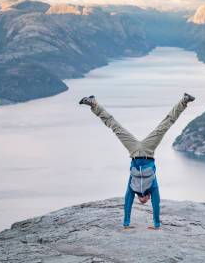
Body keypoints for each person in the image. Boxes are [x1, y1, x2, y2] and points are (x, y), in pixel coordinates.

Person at [79, 93, 195, 229]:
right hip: (148, 150)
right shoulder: (153, 185)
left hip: (133, 151)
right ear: (148, 198)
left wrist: (126, 224)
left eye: (141, 202)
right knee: (165, 125)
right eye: (144, 202)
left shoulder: (132, 186)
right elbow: (156, 204)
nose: (142, 201)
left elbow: (128, 202)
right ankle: (184, 101)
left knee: (115, 127)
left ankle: (94, 104)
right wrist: (156, 224)